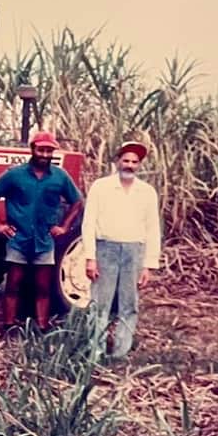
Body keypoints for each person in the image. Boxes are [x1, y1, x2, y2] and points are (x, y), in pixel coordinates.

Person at [0, 130, 84, 332]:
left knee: (43, 287)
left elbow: (77, 201)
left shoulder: (60, 176)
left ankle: (41, 326)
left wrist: (64, 226)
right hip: (18, 239)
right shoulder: (15, 174)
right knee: (13, 285)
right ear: (33, 149)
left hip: (45, 240)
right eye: (41, 150)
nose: (45, 155)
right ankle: (9, 325)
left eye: (49, 151)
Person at [81, 140, 161, 360]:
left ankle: (120, 351)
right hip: (105, 249)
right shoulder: (101, 186)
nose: (129, 165)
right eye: (126, 160)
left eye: (134, 162)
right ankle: (94, 351)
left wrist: (148, 265)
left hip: (134, 252)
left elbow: (153, 228)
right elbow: (89, 222)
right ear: (117, 161)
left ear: (139, 165)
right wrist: (90, 258)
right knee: (100, 303)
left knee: (129, 303)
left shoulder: (147, 192)